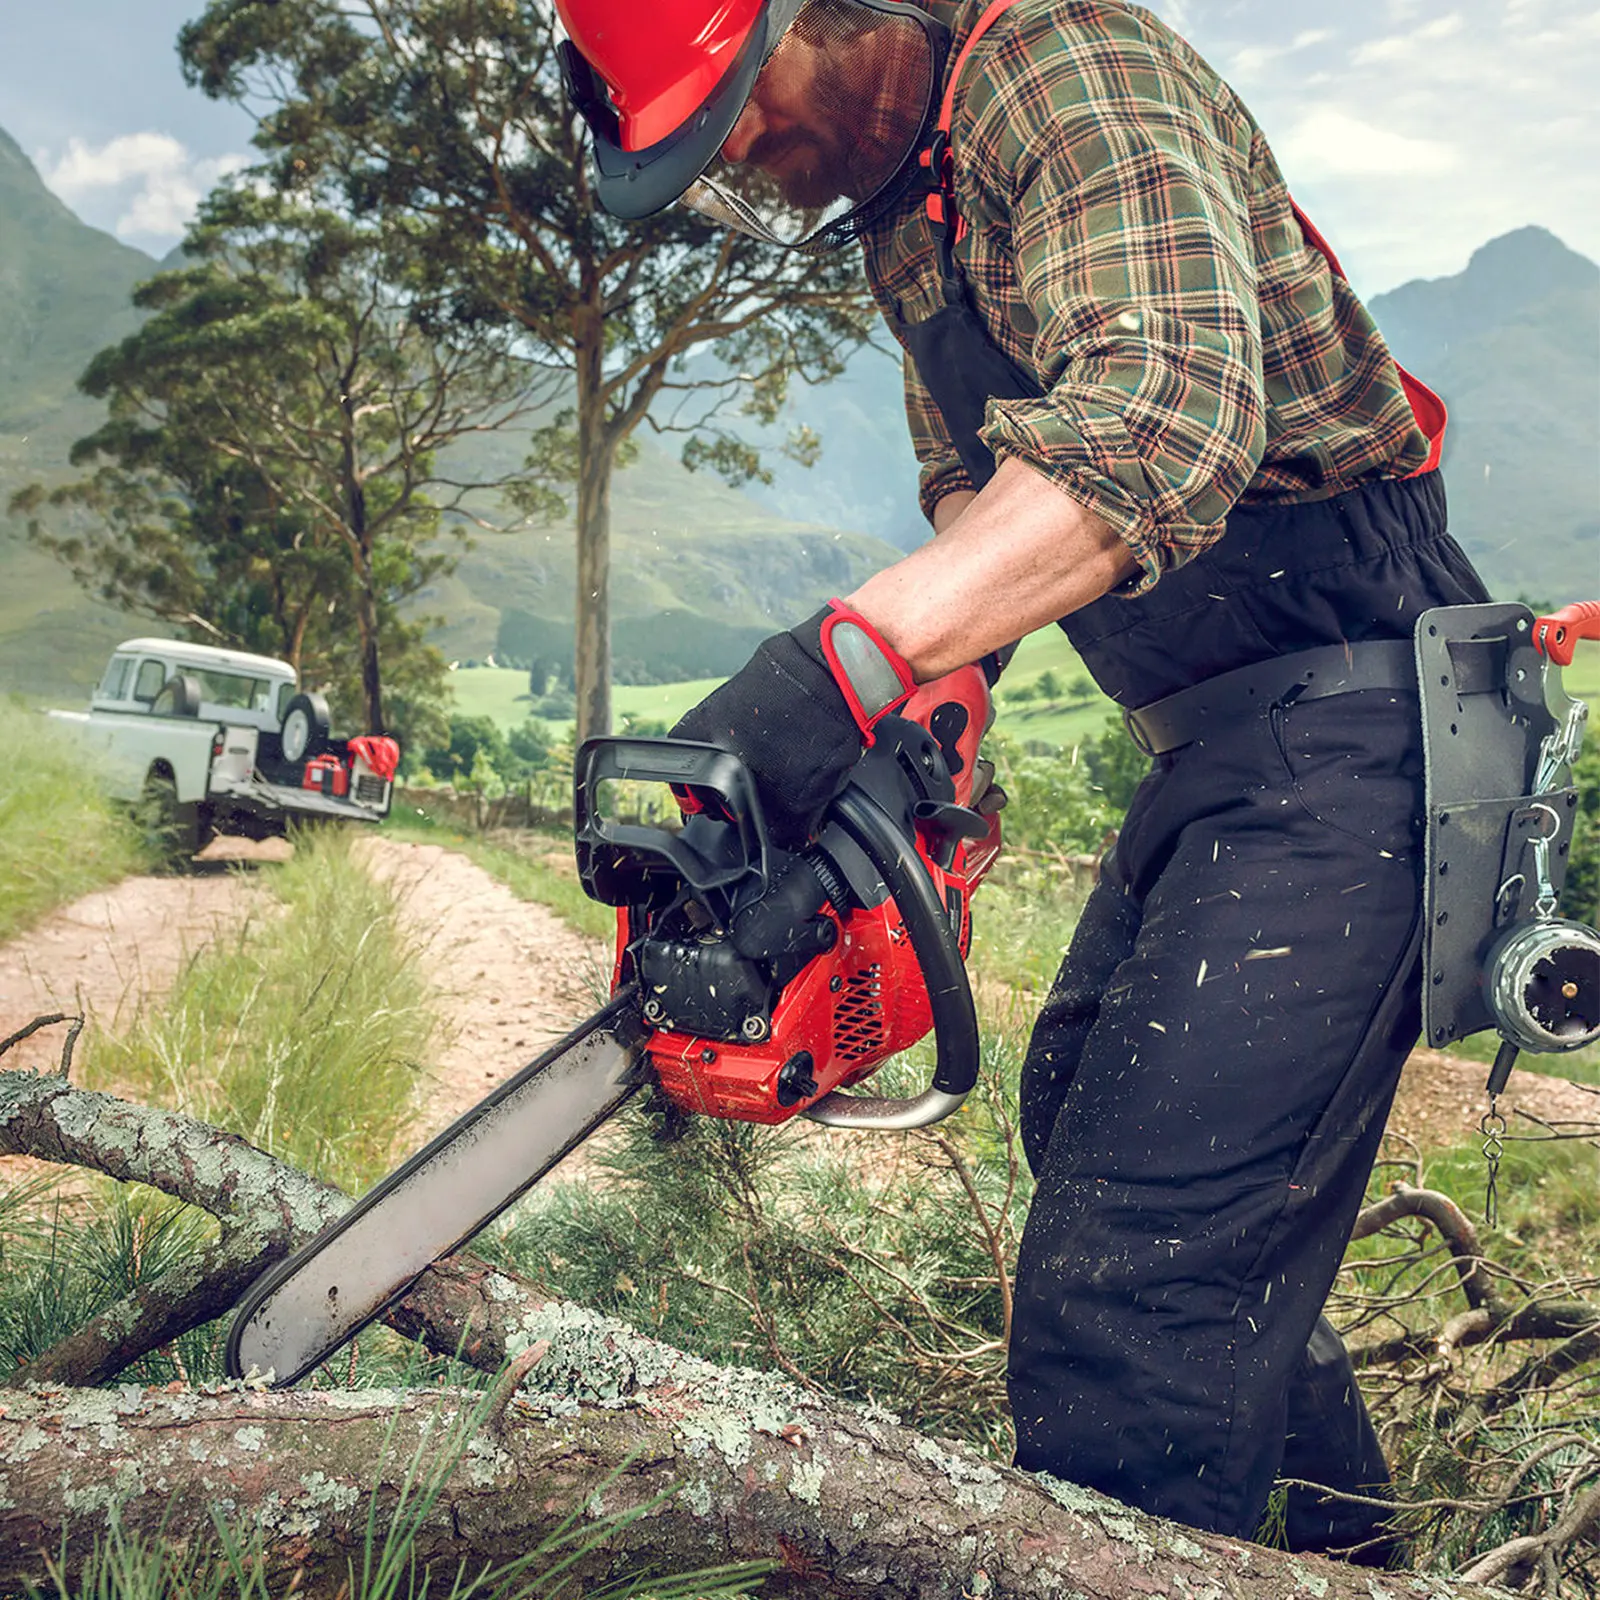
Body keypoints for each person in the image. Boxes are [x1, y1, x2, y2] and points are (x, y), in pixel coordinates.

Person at [554, 0, 1490, 1557]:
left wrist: (830, 673)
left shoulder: (1067, 68)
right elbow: (993, 511)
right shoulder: (905, 211)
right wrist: (902, 743)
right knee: (1105, 1142)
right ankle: (1337, 1561)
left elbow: (1164, 416)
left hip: (1363, 721)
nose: (753, 160)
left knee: (1139, 1270)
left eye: (742, 111)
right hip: (1223, 744)